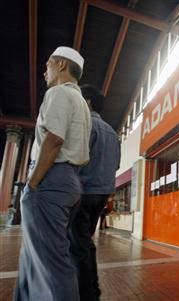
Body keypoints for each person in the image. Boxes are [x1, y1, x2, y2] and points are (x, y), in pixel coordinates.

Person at [14, 46, 91, 301]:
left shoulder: (58, 93)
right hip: (67, 180)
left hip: (50, 178)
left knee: (49, 263)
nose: (44, 70)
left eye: (48, 64)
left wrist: (33, 182)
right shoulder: (81, 102)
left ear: (60, 64)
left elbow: (54, 139)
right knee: (34, 258)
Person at [69, 85, 121, 300]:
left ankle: (88, 293)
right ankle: (89, 289)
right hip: (101, 194)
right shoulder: (112, 132)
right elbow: (115, 165)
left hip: (82, 192)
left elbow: (75, 160)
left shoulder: (85, 125)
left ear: (88, 102)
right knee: (83, 241)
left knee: (78, 245)